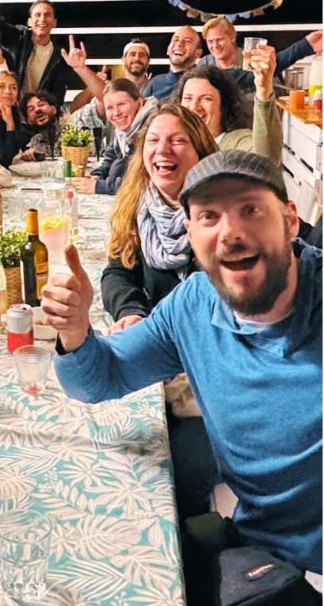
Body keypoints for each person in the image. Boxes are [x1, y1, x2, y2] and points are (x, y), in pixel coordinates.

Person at [42, 150, 322, 592]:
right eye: (209, 216)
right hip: (264, 546)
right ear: (190, 233)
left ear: (290, 220)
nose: (230, 232)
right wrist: (76, 331)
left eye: (250, 210)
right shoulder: (194, 305)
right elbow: (99, 379)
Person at [100, 103, 220, 521]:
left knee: (175, 474)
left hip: (213, 384)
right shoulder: (138, 205)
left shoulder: (220, 211)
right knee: (114, 450)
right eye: (152, 140)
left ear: (201, 151)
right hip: (162, 372)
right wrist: (132, 311)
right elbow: (118, 271)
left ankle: (197, 557)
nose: (162, 149)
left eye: (177, 140)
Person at [175, 49, 282, 164]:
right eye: (187, 98)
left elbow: (266, 161)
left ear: (224, 106)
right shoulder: (171, 141)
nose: (194, 107)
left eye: (206, 99)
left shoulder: (236, 141)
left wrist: (263, 90)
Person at [72, 79, 152, 195]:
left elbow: (142, 182)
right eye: (110, 108)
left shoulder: (151, 130)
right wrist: (98, 175)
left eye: (122, 104)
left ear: (139, 104)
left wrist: (99, 186)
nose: (116, 113)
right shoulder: (125, 127)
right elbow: (111, 158)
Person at [199, 15, 322, 75]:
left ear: (232, 38)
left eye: (219, 39)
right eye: (210, 41)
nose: (215, 45)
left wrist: (305, 46)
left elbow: (275, 63)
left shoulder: (251, 58)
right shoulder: (204, 64)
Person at [0, 71, 29, 168]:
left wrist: (28, 151)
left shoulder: (16, 115)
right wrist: (10, 125)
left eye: (13, 88)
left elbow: (22, 146)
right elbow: (3, 161)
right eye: (1, 86)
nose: (8, 91)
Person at [146, 26, 202, 101]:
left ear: (198, 53)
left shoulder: (202, 83)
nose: (179, 44)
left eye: (188, 41)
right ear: (168, 50)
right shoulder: (155, 83)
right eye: (176, 39)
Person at [17, 90, 63, 160]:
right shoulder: (30, 145)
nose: (37, 110)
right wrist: (25, 156)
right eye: (31, 109)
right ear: (28, 120)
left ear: (54, 109)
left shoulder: (72, 133)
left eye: (41, 104)